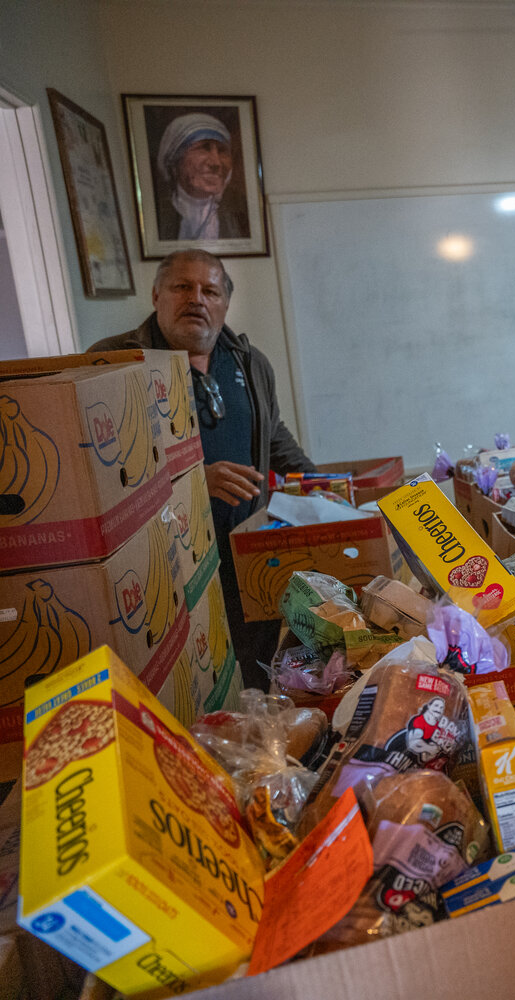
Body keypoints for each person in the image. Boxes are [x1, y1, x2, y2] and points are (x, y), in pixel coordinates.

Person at [90, 249, 317, 685]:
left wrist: (318, 481)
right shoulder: (112, 361)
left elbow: (272, 434)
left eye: (210, 290)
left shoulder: (251, 362)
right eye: (182, 287)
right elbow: (101, 474)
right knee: (188, 679)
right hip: (165, 563)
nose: (197, 298)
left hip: (245, 554)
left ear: (224, 304)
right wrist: (195, 482)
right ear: (157, 295)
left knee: (255, 667)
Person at [153, 112, 249, 242]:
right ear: (175, 160)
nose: (216, 163)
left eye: (222, 151)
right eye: (203, 149)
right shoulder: (157, 216)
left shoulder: (240, 214)